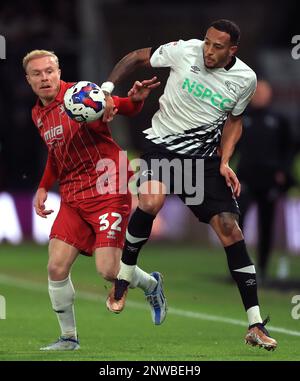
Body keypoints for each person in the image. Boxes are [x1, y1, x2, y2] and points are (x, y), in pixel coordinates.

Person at [102, 19, 277, 350]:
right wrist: (108, 89)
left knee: (230, 229)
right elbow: (137, 56)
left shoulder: (245, 79)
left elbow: (234, 123)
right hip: (162, 148)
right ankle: (124, 277)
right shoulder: (185, 50)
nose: (209, 51)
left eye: (217, 47)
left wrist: (225, 162)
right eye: (208, 43)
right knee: (150, 202)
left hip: (204, 162)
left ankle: (254, 323)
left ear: (232, 50)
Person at [23, 49, 164, 351]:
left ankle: (152, 284)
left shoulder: (82, 95)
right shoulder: (37, 114)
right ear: (29, 80)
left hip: (108, 187)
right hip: (73, 195)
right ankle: (68, 338)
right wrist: (44, 186)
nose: (45, 78)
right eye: (37, 73)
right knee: (56, 268)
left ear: (59, 71)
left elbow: (122, 106)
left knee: (110, 272)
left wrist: (136, 99)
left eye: (49, 71)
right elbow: (56, 152)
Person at [236, 79, 295, 283]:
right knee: (237, 222)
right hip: (245, 179)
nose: (259, 96)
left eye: (263, 92)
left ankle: (261, 267)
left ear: (269, 95)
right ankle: (240, 265)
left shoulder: (278, 120)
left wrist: (283, 171)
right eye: (256, 92)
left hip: (270, 180)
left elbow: (290, 148)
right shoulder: (242, 119)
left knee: (266, 225)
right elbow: (230, 146)